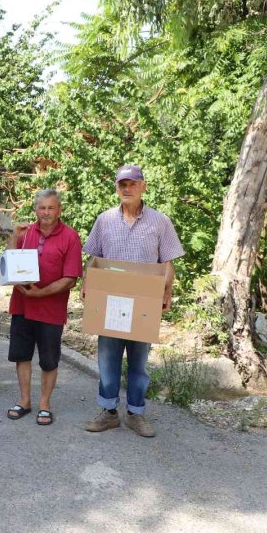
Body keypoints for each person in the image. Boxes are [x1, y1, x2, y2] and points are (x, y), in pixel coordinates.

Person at [83, 165, 184, 437]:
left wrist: (167, 291)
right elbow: (94, 258)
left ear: (143, 186)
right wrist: (87, 283)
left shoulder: (160, 221)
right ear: (117, 188)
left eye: (132, 184)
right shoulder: (104, 220)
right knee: (108, 359)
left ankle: (135, 414)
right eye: (122, 184)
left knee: (139, 362)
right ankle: (108, 412)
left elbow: (167, 263)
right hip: (110, 302)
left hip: (143, 303)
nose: (127, 189)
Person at [5, 189, 82, 426]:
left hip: (51, 310)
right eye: (42, 208)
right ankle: (24, 401)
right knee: (22, 355)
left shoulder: (70, 236)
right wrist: (13, 238)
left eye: (51, 208)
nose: (46, 212)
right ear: (36, 210)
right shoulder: (26, 232)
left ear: (59, 210)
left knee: (49, 360)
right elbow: (10, 263)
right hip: (22, 305)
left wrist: (40, 293)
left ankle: (44, 405)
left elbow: (70, 279)